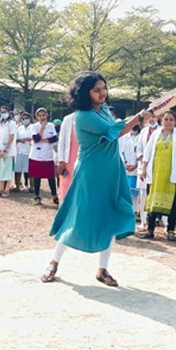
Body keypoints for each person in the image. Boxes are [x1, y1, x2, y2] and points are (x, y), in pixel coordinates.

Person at [43, 71, 151, 286]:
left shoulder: (102, 109)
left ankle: (102, 269)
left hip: (112, 169)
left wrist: (138, 117)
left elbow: (117, 126)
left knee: (111, 216)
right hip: (91, 172)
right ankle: (54, 263)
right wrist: (139, 118)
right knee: (77, 216)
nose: (102, 93)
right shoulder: (83, 116)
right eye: (96, 90)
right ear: (85, 93)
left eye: (104, 88)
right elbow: (115, 131)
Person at [139, 110, 176, 241]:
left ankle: (171, 230)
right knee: (152, 201)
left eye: (171, 120)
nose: (168, 122)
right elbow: (148, 152)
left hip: (172, 174)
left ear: (175, 121)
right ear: (161, 121)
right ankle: (150, 229)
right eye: (166, 119)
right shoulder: (156, 134)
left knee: (172, 203)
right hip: (155, 174)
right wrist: (143, 168)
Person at [29, 107, 59, 205]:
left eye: (44, 115)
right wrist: (42, 127)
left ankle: (54, 196)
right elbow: (36, 138)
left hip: (48, 155)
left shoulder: (51, 126)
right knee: (37, 177)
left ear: (47, 115)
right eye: (40, 115)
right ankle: (37, 196)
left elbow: (54, 138)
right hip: (36, 155)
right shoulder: (34, 126)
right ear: (36, 117)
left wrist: (43, 140)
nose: (42, 117)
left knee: (51, 177)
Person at [136, 116, 160, 227]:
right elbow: (139, 147)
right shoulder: (143, 131)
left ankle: (161, 221)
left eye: (154, 116)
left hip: (158, 166)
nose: (151, 119)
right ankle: (143, 221)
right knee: (143, 194)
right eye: (150, 116)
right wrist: (142, 159)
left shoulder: (162, 130)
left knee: (157, 194)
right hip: (144, 166)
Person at [119, 124, 141, 218]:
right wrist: (125, 164)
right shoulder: (124, 137)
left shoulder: (141, 137)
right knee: (127, 191)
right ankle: (127, 210)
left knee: (136, 192)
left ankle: (135, 210)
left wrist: (136, 165)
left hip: (137, 168)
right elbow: (121, 151)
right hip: (126, 167)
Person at [57, 112, 79, 201]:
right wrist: (61, 161)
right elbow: (62, 141)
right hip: (69, 159)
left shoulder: (92, 117)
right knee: (67, 184)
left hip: (84, 158)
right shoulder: (68, 119)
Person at [0, 106, 16, 197]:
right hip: (0, 152)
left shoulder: (12, 123)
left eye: (5, 112)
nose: (3, 113)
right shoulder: (0, 124)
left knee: (7, 171)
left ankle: (7, 190)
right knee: (0, 170)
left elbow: (11, 137)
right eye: (1, 112)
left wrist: (6, 150)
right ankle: (1, 189)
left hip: (9, 151)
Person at [14, 113, 33, 192]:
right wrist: (19, 140)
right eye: (23, 118)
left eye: (26, 118)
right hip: (19, 150)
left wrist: (29, 139)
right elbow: (15, 138)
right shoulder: (19, 128)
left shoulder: (33, 127)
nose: (25, 120)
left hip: (29, 150)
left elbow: (37, 138)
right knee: (17, 169)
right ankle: (17, 186)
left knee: (30, 170)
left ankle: (32, 186)